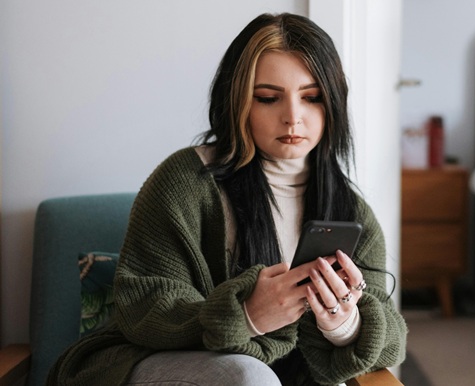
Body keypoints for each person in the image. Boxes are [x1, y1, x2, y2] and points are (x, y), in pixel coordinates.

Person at [48, 13, 407, 386]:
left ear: (332, 103)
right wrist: (248, 315)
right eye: (268, 98)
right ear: (237, 100)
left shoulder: (350, 210)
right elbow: (143, 309)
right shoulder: (185, 180)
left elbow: (390, 339)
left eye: (312, 97)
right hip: (158, 363)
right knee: (248, 377)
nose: (292, 118)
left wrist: (344, 324)